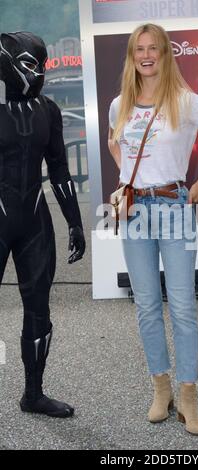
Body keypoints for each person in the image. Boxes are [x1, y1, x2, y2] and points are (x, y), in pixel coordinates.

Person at [108, 23, 198, 435]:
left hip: (175, 208)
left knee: (182, 309)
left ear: (165, 53)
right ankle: (161, 390)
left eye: (153, 49)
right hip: (135, 212)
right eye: (138, 49)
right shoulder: (119, 104)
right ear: (131, 56)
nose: (146, 56)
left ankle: (189, 400)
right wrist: (126, 181)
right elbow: (115, 143)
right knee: (146, 306)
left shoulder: (186, 101)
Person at [0, 32, 86, 417]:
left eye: (42, 65)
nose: (39, 74)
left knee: (39, 310)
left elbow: (60, 168)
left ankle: (33, 393)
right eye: (31, 65)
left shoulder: (47, 109)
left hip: (35, 219)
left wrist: (75, 222)